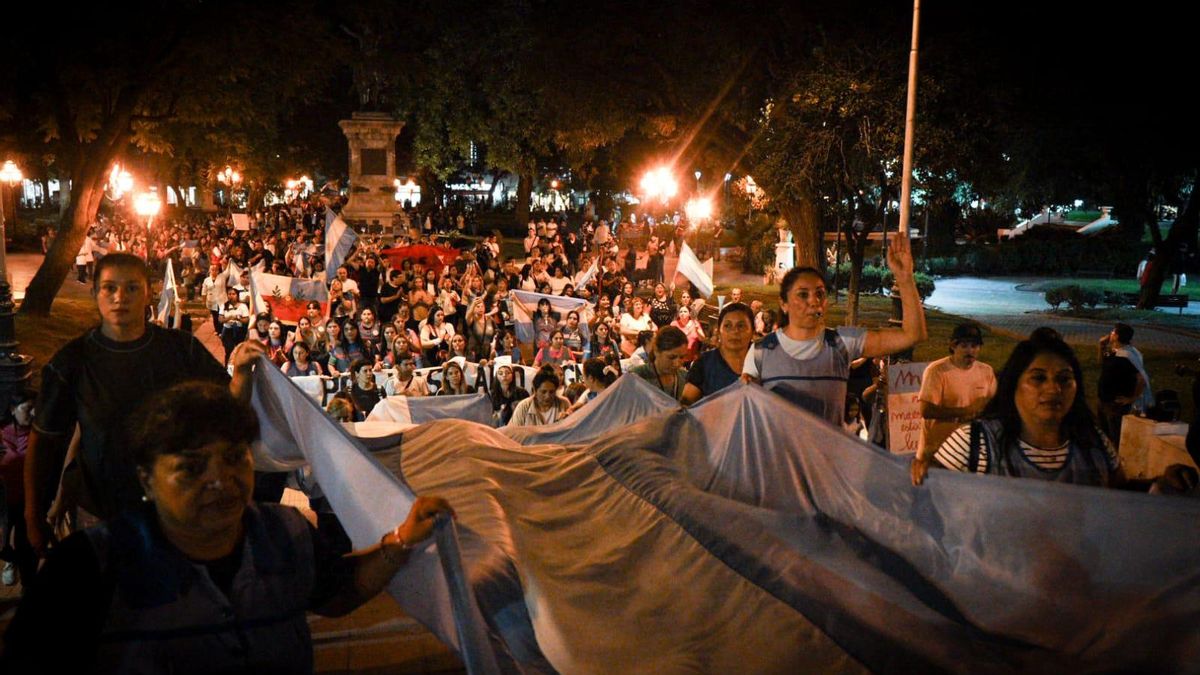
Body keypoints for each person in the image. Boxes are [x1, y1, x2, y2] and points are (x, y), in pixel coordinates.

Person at [3, 381, 453, 672]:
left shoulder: (288, 533)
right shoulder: (88, 567)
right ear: (147, 478)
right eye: (192, 468)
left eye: (235, 458)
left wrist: (400, 541)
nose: (221, 481)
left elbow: (337, 593)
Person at [24, 253, 266, 560]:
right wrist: (34, 515)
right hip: (102, 512)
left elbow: (227, 412)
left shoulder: (181, 349)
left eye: (132, 288)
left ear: (148, 292)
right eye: (109, 288)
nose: (119, 297)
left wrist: (242, 372)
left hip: (177, 511)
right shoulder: (71, 363)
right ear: (95, 293)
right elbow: (45, 440)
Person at [743, 232, 926, 426]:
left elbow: (913, 334)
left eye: (820, 294)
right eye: (803, 294)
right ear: (784, 304)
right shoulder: (760, 353)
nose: (813, 301)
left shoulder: (842, 343)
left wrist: (905, 277)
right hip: (779, 456)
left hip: (829, 455)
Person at [922, 334, 1123, 487]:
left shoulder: (1096, 444)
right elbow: (928, 504)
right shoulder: (976, 443)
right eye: (1038, 378)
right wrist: (921, 472)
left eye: (1064, 379)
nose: (1054, 389)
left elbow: (1124, 505)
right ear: (1013, 385)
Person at [910, 323, 997, 485]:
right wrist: (965, 411)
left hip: (971, 455)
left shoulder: (986, 372)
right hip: (937, 453)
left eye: (975, 345)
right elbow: (926, 410)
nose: (970, 350)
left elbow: (993, 405)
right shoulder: (937, 371)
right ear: (953, 346)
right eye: (964, 345)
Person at [682, 302, 753, 405]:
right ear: (719, 331)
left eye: (741, 326)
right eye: (727, 326)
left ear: (752, 331)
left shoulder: (763, 362)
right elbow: (687, 404)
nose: (734, 331)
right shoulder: (705, 363)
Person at [0, 391, 35, 589]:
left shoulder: (38, 435)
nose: (33, 413)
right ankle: (11, 559)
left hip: (26, 500)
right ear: (13, 410)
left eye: (35, 409)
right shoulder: (1, 432)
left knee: (26, 547)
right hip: (3, 502)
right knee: (2, 545)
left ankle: (29, 590)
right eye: (27, 409)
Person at [1101, 323, 1153, 414]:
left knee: (1114, 426)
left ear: (1117, 336)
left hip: (1116, 404)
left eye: (1112, 332)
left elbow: (1141, 378)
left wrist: (1132, 398)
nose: (1110, 333)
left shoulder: (1125, 356)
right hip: (1105, 399)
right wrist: (1101, 346)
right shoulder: (1117, 352)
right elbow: (1103, 364)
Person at [629, 327, 690, 402]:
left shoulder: (686, 378)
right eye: (671, 357)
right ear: (656, 351)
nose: (677, 364)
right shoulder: (636, 377)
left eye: (682, 357)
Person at [218, 287, 250, 365]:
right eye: (229, 294)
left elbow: (246, 320)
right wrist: (229, 318)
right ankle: (227, 367)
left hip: (239, 330)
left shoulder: (243, 306)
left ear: (237, 295)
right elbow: (220, 320)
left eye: (233, 294)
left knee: (239, 349)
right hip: (227, 330)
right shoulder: (224, 306)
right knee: (229, 350)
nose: (231, 296)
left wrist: (238, 318)